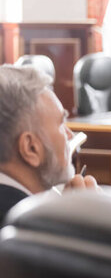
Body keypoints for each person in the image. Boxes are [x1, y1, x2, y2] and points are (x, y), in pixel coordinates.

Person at [0, 65, 98, 223]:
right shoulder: (30, 225)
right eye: (61, 123)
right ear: (31, 148)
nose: (69, 135)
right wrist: (86, 225)